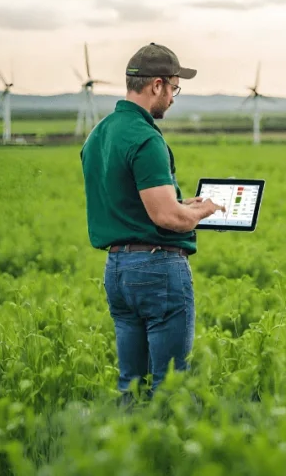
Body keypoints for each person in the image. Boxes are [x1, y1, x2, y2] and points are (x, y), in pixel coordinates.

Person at [80, 42, 225, 400]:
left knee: (132, 383)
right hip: (156, 269)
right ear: (156, 85)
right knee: (169, 385)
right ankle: (166, 453)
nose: (174, 98)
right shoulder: (145, 138)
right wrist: (202, 210)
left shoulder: (100, 133)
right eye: (174, 87)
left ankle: (130, 450)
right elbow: (166, 217)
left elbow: (134, 201)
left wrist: (181, 204)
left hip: (117, 268)